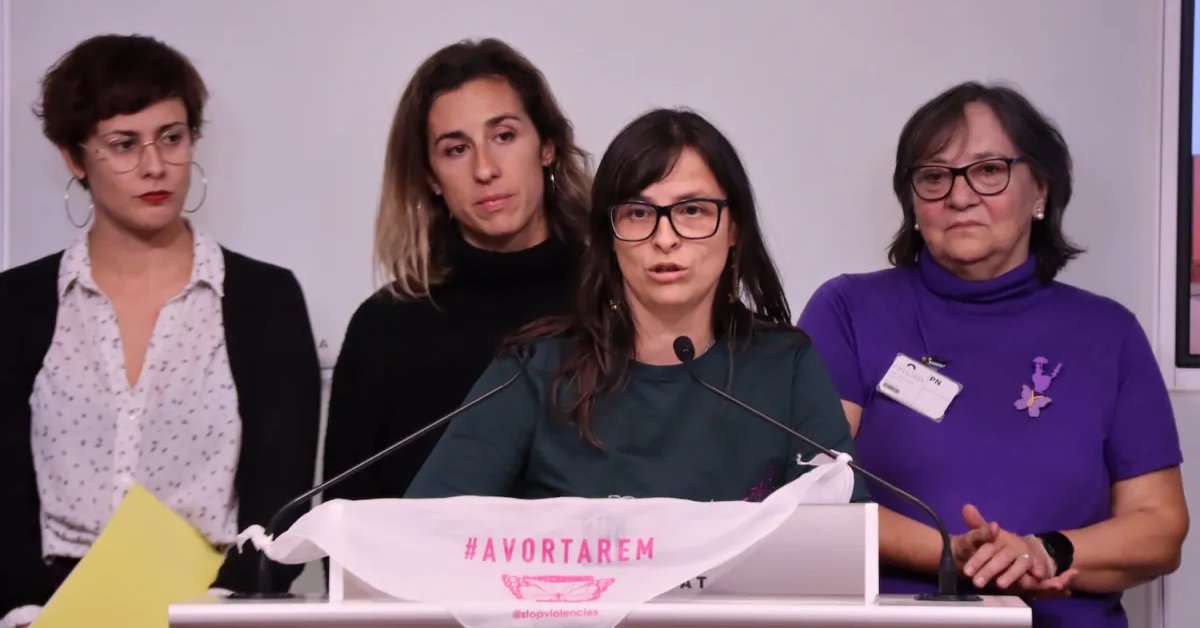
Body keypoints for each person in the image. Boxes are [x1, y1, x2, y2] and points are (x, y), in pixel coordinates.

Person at [798, 81, 1188, 627]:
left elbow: (1159, 528)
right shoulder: (849, 310)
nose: (960, 196)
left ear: (1041, 192)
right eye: (934, 176)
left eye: (988, 170)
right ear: (913, 202)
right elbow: (809, 491)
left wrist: (1045, 550)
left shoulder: (1108, 332)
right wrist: (952, 551)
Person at [0, 35, 321, 626]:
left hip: (211, 608)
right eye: (124, 144)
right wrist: (27, 610)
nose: (154, 166)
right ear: (76, 158)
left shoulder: (264, 299)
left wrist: (222, 608)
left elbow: (282, 507)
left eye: (172, 138)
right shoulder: (16, 303)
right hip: (44, 609)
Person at [406, 108, 868, 502]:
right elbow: (425, 530)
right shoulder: (535, 368)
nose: (664, 239)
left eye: (692, 211)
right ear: (608, 237)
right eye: (638, 213)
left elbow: (838, 541)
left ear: (733, 230)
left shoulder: (785, 365)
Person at [323, 39, 590, 502]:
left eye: (504, 136)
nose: (485, 169)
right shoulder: (385, 326)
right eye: (455, 149)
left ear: (547, 147)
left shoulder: (616, 301)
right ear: (430, 177)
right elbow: (345, 531)